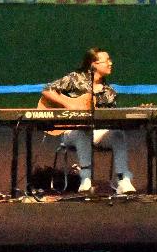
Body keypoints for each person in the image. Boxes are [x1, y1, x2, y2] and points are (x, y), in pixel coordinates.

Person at [41, 48, 135, 194]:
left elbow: (111, 119)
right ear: (94, 64)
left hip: (95, 132)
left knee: (118, 134)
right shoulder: (76, 79)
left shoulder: (109, 93)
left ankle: (123, 180)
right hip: (70, 131)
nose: (111, 63)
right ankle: (85, 178)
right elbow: (47, 90)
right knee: (83, 130)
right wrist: (68, 104)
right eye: (107, 60)